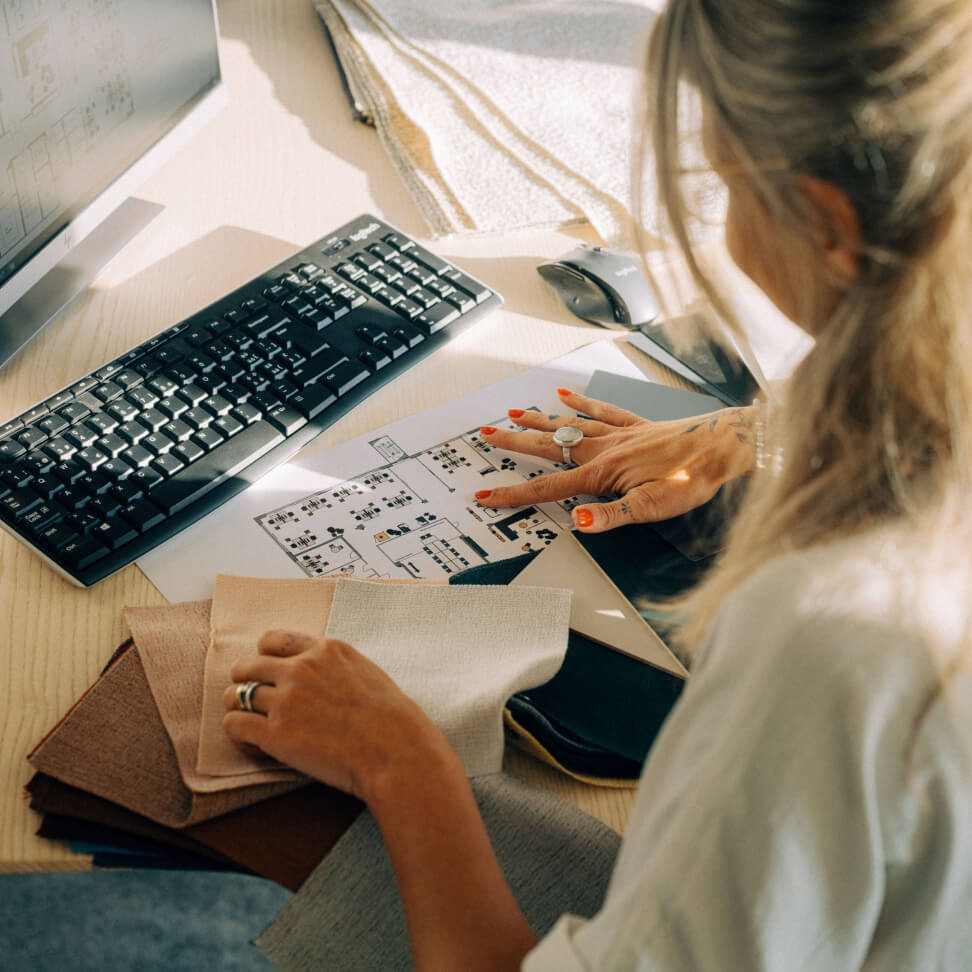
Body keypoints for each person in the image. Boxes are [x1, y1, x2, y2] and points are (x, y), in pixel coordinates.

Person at [223, 0, 972, 967]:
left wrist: (399, 762)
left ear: (829, 223)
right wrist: (754, 432)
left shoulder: (824, 640)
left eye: (724, 182)